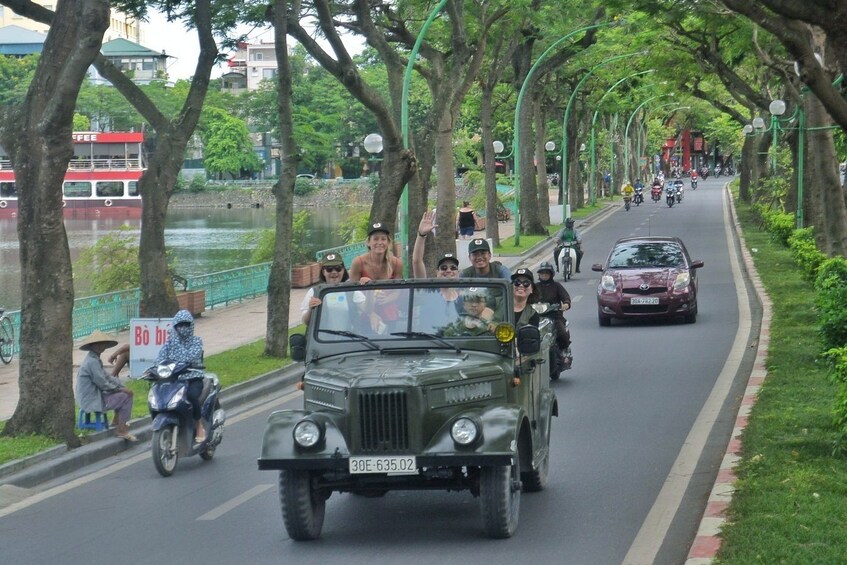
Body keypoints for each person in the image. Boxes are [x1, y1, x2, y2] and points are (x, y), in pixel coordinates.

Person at [75, 331, 137, 441]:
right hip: (91, 399)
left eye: (102, 343)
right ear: (91, 346)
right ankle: (122, 430)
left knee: (123, 392)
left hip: (94, 395)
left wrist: (120, 385)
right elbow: (103, 383)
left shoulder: (94, 359)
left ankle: (116, 422)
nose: (100, 346)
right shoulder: (92, 362)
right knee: (126, 396)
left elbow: (107, 377)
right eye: (97, 344)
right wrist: (120, 389)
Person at [157, 310, 206, 443]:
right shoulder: (169, 344)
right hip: (175, 380)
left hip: (193, 377)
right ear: (175, 326)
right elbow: (160, 359)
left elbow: (189, 357)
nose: (183, 328)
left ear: (191, 326)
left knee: (191, 397)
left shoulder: (196, 342)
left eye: (186, 325)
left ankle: (199, 425)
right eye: (180, 325)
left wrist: (176, 342)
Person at [301, 253, 351, 326]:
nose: (334, 272)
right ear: (323, 271)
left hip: (350, 336)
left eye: (338, 268)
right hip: (322, 337)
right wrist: (311, 309)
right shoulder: (314, 292)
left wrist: (368, 286)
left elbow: (367, 310)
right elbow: (306, 322)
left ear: (343, 270)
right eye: (329, 269)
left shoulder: (351, 290)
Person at [535, 262, 571, 351]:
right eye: (542, 273)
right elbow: (527, 299)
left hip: (554, 316)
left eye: (546, 273)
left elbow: (566, 297)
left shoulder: (556, 286)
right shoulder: (535, 287)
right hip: (537, 316)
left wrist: (566, 304)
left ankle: (564, 351)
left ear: (551, 274)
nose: (544, 275)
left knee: (562, 334)